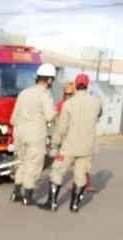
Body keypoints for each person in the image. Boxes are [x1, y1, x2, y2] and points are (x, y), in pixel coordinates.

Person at [39, 73, 102, 212]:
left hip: (70, 146)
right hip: (87, 147)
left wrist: (55, 144)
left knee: (57, 171)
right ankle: (74, 205)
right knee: (80, 175)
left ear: (75, 85)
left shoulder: (68, 104)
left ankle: (52, 203)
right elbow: (99, 114)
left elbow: (61, 128)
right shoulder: (97, 102)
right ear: (87, 85)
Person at [9, 63, 57, 206]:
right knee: (34, 164)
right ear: (49, 80)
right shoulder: (45, 94)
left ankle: (16, 192)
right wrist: (57, 111)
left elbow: (13, 118)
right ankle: (27, 195)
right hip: (35, 134)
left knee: (22, 162)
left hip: (19, 133)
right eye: (52, 80)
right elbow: (49, 116)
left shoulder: (24, 92)